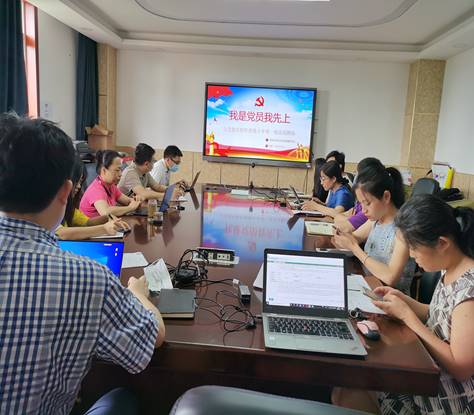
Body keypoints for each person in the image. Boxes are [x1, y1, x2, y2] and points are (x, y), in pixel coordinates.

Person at [0, 114, 165, 414]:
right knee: (124, 399)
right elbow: (151, 337)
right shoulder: (87, 278)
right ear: (66, 191)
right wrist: (138, 293)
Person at [333, 194, 474, 414]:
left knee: (349, 394)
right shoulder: (450, 268)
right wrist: (402, 299)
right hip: (427, 374)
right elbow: (438, 314)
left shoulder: (469, 290)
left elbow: (461, 368)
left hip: (447, 398)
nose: (411, 254)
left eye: (414, 247)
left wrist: (408, 317)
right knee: (345, 388)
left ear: (442, 243)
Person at [332, 163, 415, 294]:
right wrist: (342, 237)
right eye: (361, 204)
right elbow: (354, 238)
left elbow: (391, 277)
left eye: (367, 203)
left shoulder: (403, 228)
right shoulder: (375, 220)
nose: (364, 210)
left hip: (391, 298)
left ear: (386, 197)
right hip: (369, 285)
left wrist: (354, 248)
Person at [56, 156, 131, 240]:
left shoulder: (67, 208)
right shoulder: (52, 206)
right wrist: (104, 229)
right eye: (76, 181)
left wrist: (107, 218)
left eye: (80, 182)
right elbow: (61, 233)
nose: (79, 186)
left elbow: (88, 223)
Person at [79, 149, 141, 218]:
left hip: (106, 224)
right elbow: (106, 212)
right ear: (104, 171)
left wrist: (136, 200)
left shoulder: (111, 186)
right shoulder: (96, 189)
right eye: (117, 170)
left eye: (121, 170)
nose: (120, 174)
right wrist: (130, 208)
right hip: (91, 225)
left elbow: (128, 201)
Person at [332, 157, 383, 233]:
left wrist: (348, 219)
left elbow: (343, 227)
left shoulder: (370, 208)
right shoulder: (361, 202)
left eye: (357, 173)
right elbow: (337, 217)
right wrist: (348, 218)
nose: (355, 177)